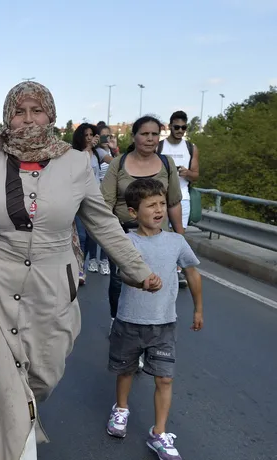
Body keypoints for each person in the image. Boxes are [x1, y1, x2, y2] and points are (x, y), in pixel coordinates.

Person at [0, 81, 161, 460]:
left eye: (37, 110)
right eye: (20, 112)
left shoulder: (76, 163)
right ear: (7, 117)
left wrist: (138, 270)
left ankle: (18, 420)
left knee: (44, 373)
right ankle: (12, 450)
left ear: (51, 114)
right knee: (2, 382)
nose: (28, 119)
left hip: (54, 286)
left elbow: (102, 224)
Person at [106, 178, 203, 460]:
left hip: (164, 324)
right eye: (151, 205)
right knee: (125, 371)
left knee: (165, 378)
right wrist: (139, 283)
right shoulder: (126, 242)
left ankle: (158, 433)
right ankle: (121, 408)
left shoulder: (176, 241)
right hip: (129, 320)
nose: (159, 210)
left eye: (162, 203)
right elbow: (122, 274)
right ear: (134, 212)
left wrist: (198, 309)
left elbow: (193, 273)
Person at [101, 115, 184, 324]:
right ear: (134, 136)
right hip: (124, 235)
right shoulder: (118, 165)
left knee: (157, 280)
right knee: (121, 280)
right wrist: (109, 238)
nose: (150, 139)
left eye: (154, 134)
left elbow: (173, 202)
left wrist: (180, 239)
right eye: (144, 134)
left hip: (159, 236)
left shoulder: (167, 163)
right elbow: (104, 206)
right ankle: (117, 320)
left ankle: (154, 324)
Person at [159, 111, 200, 288]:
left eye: (183, 127)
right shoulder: (159, 147)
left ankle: (176, 272)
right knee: (160, 234)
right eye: (176, 127)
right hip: (160, 197)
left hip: (182, 197)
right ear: (170, 127)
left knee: (179, 236)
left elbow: (196, 175)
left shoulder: (191, 148)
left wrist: (187, 173)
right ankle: (161, 268)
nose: (180, 130)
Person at [71, 123, 109, 283]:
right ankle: (80, 269)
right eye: (85, 135)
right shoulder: (75, 154)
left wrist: (108, 147)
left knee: (95, 234)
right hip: (79, 199)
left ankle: (90, 264)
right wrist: (87, 149)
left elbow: (116, 164)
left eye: (91, 135)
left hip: (95, 199)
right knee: (81, 236)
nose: (88, 138)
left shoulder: (98, 153)